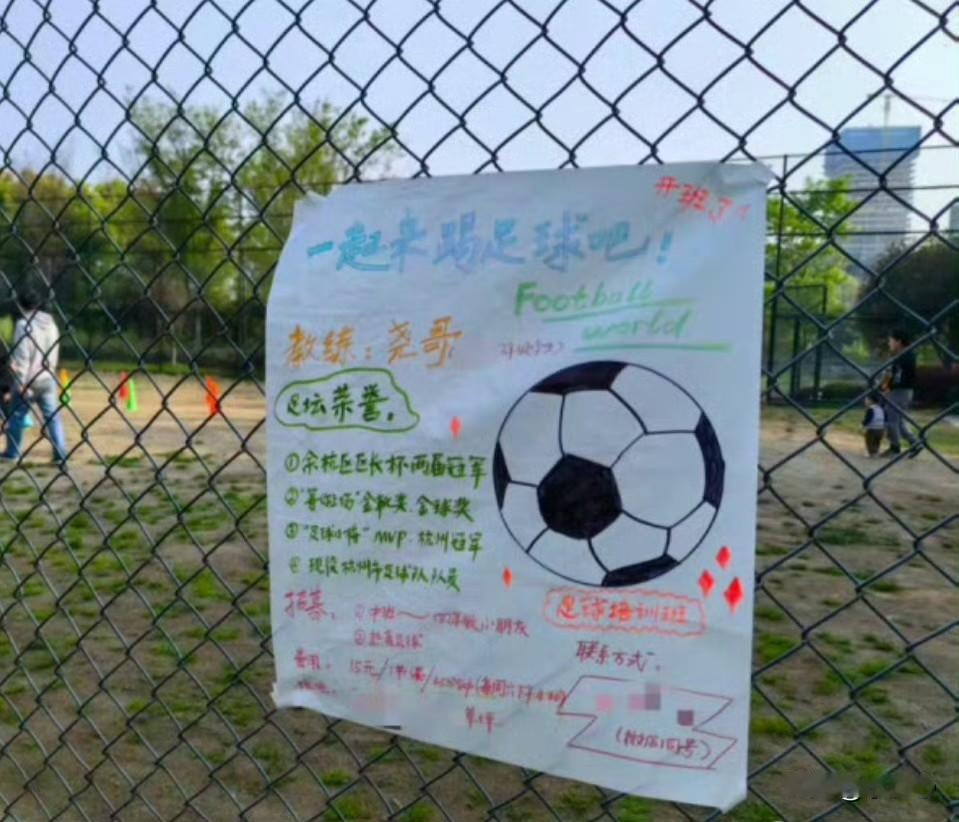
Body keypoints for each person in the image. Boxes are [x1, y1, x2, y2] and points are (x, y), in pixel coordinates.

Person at [2, 289, 68, 466]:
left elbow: (22, 356)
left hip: (29, 379)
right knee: (52, 417)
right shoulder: (52, 325)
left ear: (21, 305)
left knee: (17, 416)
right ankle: (61, 454)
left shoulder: (23, 324)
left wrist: (21, 381)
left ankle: (13, 452)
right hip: (48, 376)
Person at [880, 328, 920, 458]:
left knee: (891, 419)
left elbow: (897, 377)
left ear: (899, 341)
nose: (889, 343)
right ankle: (915, 443)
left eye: (891, 340)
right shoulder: (903, 355)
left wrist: (887, 386)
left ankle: (895, 448)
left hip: (900, 392)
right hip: (900, 391)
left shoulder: (904, 356)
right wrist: (886, 386)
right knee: (898, 420)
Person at [861, 392, 885, 457]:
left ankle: (871, 452)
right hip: (881, 428)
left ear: (871, 401)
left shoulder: (871, 408)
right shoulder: (880, 408)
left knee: (869, 441)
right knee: (877, 441)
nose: (865, 402)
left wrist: (863, 424)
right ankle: (875, 451)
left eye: (866, 400)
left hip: (872, 429)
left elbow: (868, 418)